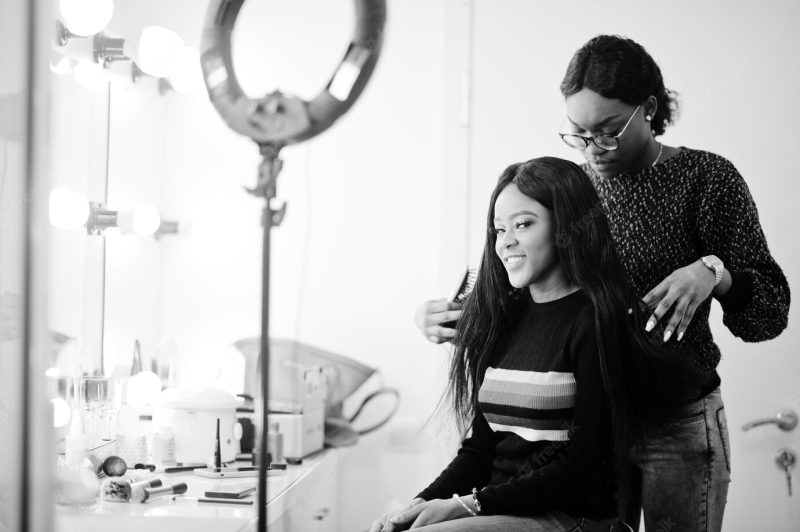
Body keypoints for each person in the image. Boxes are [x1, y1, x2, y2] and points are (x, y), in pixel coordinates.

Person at [415, 35, 791, 532]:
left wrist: (714, 274)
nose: (593, 148)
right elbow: (514, 276)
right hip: (585, 434)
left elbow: (769, 314)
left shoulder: (707, 179)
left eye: (609, 131)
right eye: (579, 132)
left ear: (649, 109)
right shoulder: (573, 185)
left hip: (673, 423)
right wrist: (441, 313)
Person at [371, 157, 701, 532]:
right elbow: (481, 450)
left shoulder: (597, 320)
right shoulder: (503, 319)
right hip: (498, 509)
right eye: (498, 229)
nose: (505, 241)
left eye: (523, 224)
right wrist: (421, 504)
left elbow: (585, 467)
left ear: (566, 227)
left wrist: (467, 505)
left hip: (571, 518)